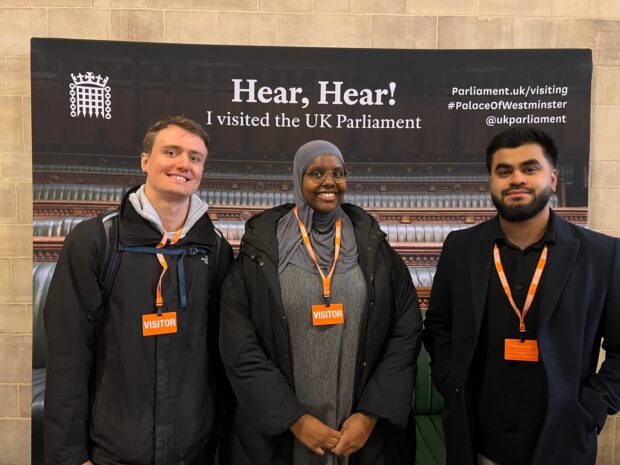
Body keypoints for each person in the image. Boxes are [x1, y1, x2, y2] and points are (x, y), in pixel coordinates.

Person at [423, 126, 620, 465]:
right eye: (504, 171)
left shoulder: (602, 255)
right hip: (477, 442)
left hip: (562, 440)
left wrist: (592, 407)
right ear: (491, 182)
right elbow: (439, 324)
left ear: (553, 178)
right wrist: (448, 379)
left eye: (530, 168)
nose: (516, 179)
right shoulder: (461, 247)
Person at [44, 116, 233, 465]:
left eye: (195, 157)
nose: (184, 164)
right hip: (113, 451)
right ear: (145, 161)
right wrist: (69, 456)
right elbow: (68, 354)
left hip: (194, 450)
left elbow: (221, 357)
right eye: (171, 152)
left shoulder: (214, 249)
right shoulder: (95, 242)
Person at [219, 140, 422, 465]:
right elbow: (239, 346)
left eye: (338, 173)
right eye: (317, 173)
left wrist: (370, 415)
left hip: (358, 436)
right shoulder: (259, 253)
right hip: (283, 437)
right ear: (299, 179)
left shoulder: (375, 248)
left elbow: (406, 331)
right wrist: (294, 419)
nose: (329, 182)